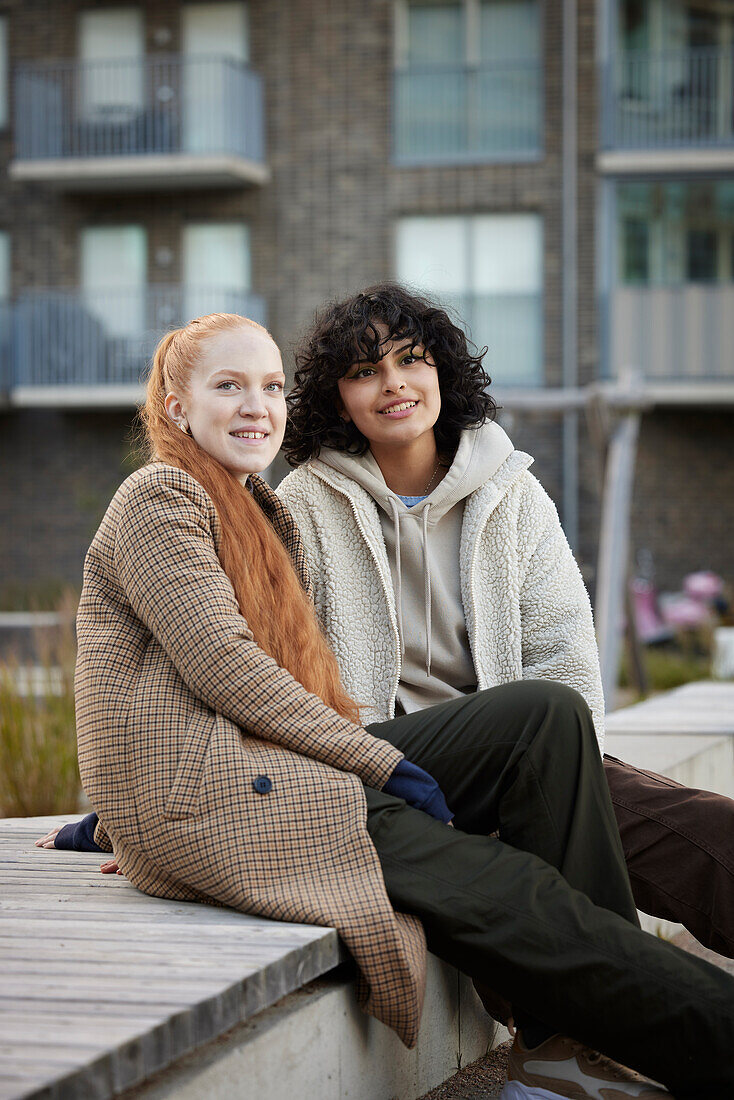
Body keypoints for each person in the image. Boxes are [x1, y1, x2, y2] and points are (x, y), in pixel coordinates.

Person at [40, 312, 734, 1100]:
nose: (255, 406)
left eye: (269, 387)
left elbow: (255, 683)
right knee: (516, 892)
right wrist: (382, 761)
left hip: (314, 768)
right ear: (175, 406)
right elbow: (225, 669)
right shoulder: (168, 497)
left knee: (550, 716)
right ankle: (597, 1046)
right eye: (227, 387)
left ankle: (580, 1042)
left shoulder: (257, 512)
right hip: (266, 789)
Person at [278, 282, 734, 965]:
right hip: (389, 768)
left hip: (527, 751)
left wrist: (561, 778)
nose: (393, 384)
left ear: (442, 371)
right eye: (364, 371)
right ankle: (582, 1044)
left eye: (411, 360)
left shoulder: (511, 492)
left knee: (703, 832)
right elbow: (259, 669)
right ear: (337, 396)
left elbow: (564, 653)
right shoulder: (302, 505)